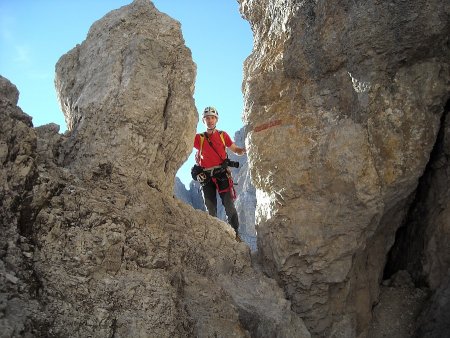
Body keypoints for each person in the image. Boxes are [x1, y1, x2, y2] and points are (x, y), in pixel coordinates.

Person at [193, 106, 246, 241]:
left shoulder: (223, 136)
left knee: (229, 206)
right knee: (210, 209)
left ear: (216, 120)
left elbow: (235, 149)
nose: (210, 121)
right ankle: (213, 236)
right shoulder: (199, 138)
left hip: (221, 174)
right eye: (207, 118)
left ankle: (235, 234)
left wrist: (246, 149)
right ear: (203, 121)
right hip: (206, 177)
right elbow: (184, 142)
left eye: (212, 118)